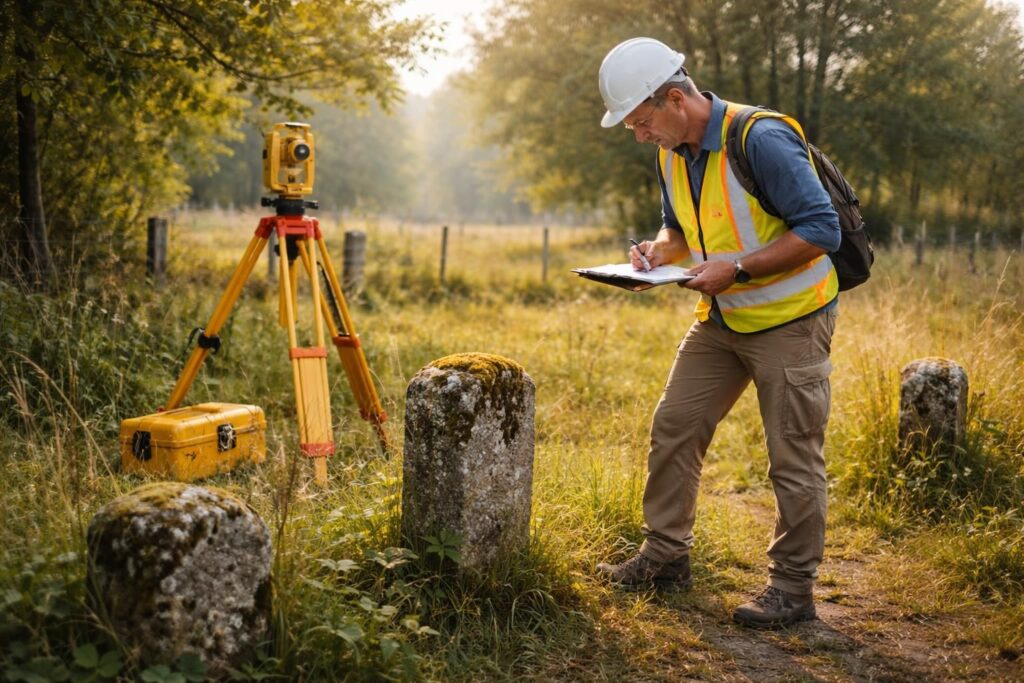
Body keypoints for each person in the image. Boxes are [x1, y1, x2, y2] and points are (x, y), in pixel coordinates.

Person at [593, 37, 841, 629]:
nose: (639, 135)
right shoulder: (671, 152)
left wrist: (739, 269)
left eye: (641, 121)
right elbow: (677, 228)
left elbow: (822, 229)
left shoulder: (761, 138)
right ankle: (665, 557)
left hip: (791, 320)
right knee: (674, 426)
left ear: (675, 99)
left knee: (792, 457)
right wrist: (658, 252)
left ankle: (792, 590)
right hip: (722, 319)